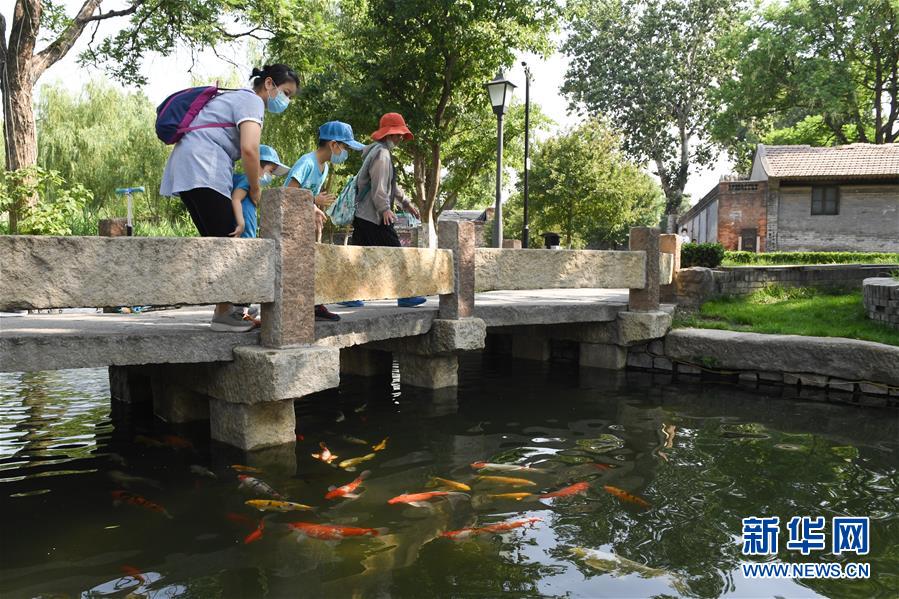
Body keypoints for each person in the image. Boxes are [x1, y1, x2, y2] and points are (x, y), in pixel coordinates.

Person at [159, 64, 299, 332]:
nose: (286, 100)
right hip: (204, 168)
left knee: (220, 241)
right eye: (286, 92)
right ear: (269, 84)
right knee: (230, 240)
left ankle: (227, 310)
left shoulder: (235, 98)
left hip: (189, 168)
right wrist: (256, 189)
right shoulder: (252, 101)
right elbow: (249, 149)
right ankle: (227, 313)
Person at [340, 113, 424, 309]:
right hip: (374, 215)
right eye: (398, 135)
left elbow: (390, 186)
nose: (400, 139)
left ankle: (347, 294)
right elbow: (380, 186)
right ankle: (405, 295)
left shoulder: (377, 151)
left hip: (363, 215)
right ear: (390, 134)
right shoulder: (382, 154)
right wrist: (385, 209)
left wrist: (406, 203)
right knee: (396, 253)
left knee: (359, 256)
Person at [285, 121, 366, 321]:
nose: (345, 152)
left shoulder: (325, 167)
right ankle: (301, 308)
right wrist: (313, 202)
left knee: (312, 263)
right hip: (287, 224)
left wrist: (314, 211)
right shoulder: (307, 162)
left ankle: (314, 305)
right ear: (333, 144)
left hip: (303, 223)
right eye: (344, 147)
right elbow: (288, 193)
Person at [232, 145, 290, 239]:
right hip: (243, 232)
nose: (271, 176)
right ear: (257, 164)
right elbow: (236, 198)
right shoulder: (247, 179)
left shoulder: (253, 187)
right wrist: (241, 223)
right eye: (271, 171)